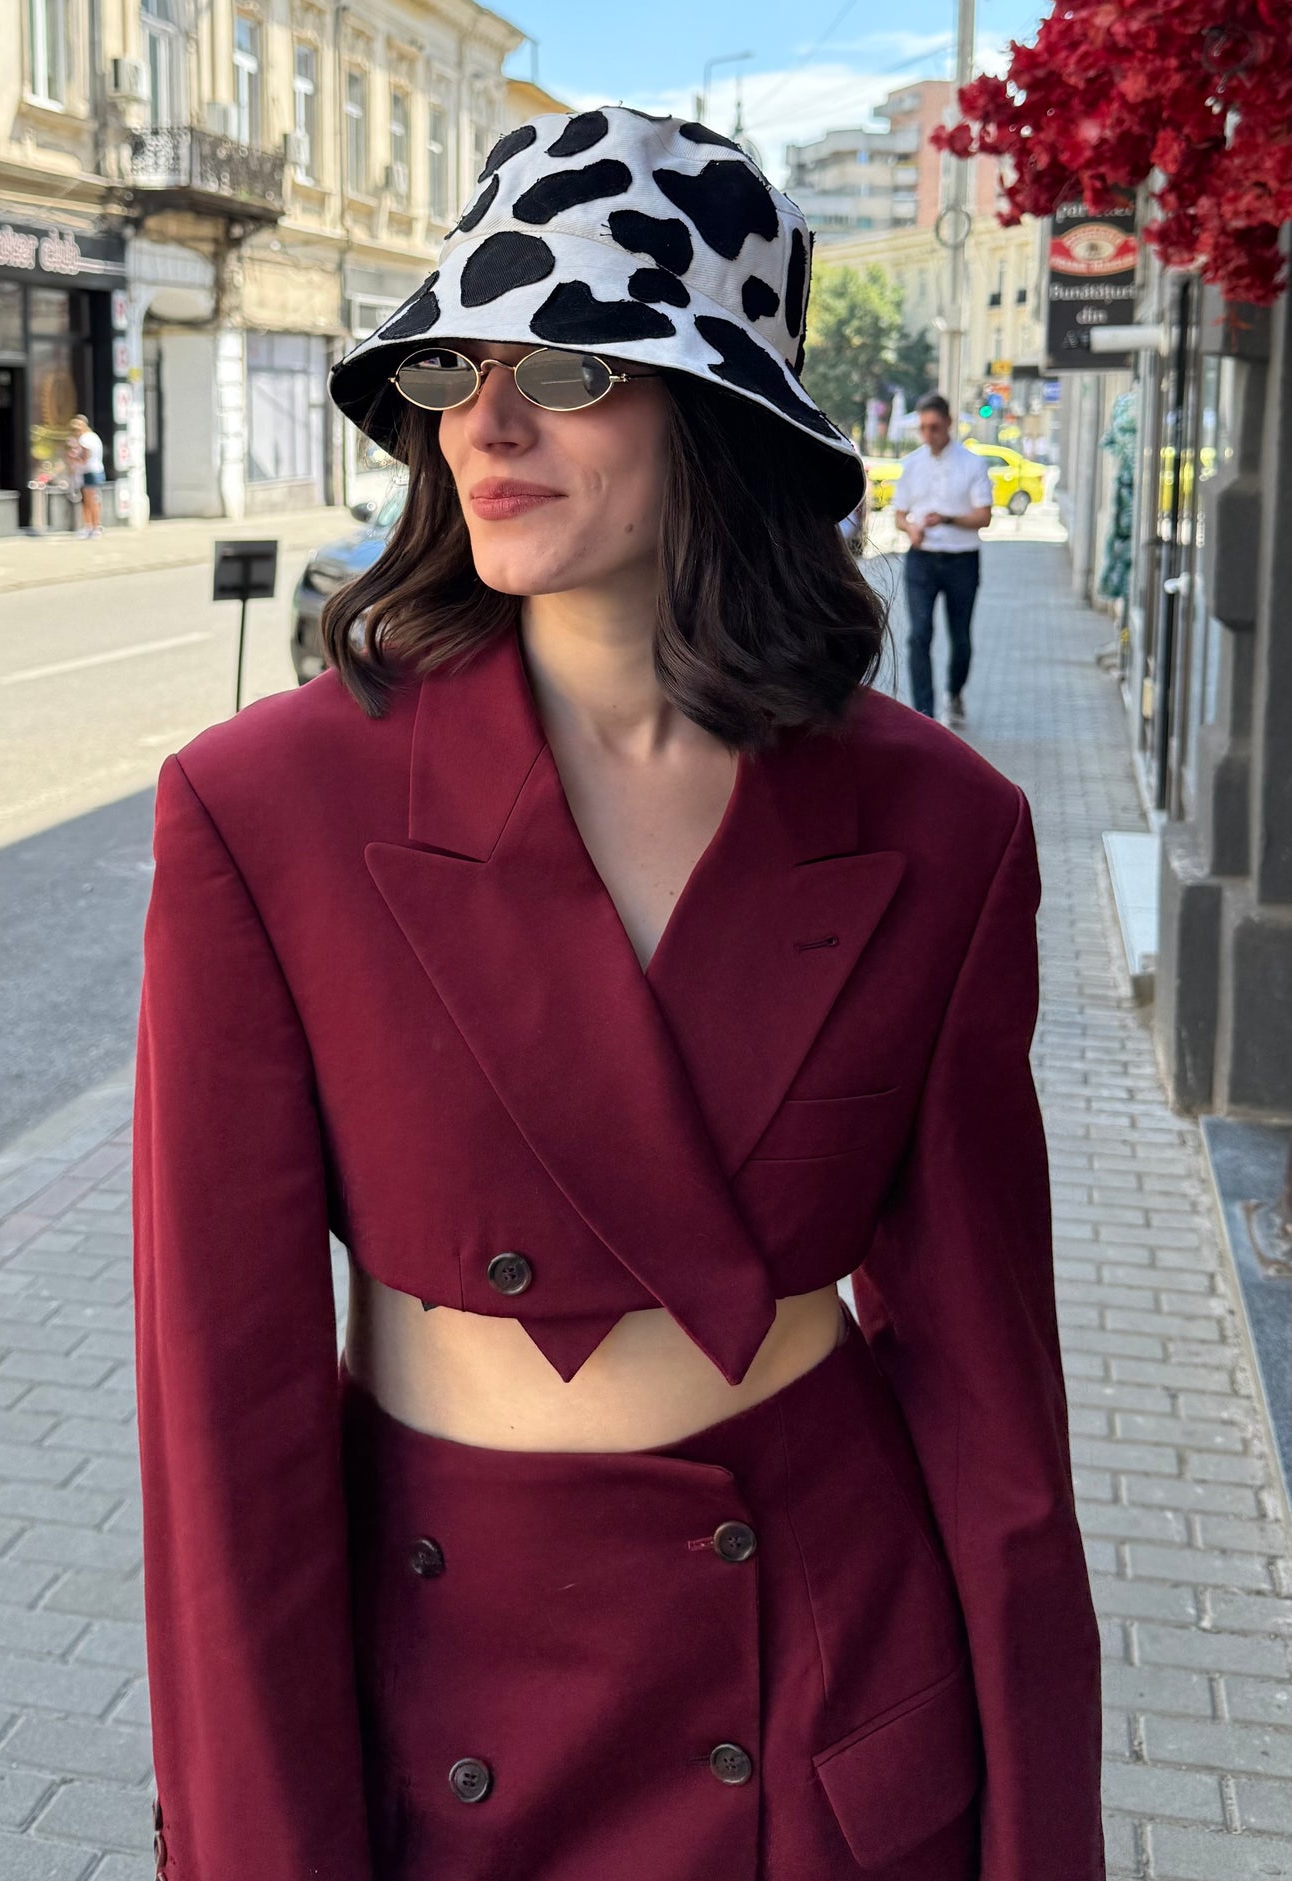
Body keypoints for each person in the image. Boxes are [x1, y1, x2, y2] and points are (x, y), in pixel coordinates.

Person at [133, 109, 1102, 1881]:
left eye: (570, 363)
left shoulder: (943, 829)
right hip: (443, 1685)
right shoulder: (265, 807)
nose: (485, 423)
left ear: (718, 410)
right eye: (456, 361)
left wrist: (1043, 1830)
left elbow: (990, 1384)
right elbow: (224, 1414)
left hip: (825, 1681)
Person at [894, 393, 993, 724]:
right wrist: (910, 529)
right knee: (918, 633)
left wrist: (948, 519)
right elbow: (899, 515)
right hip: (921, 560)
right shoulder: (911, 465)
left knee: (960, 635)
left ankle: (955, 692)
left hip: (961, 560)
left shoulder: (972, 464)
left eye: (934, 427)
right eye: (923, 428)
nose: (928, 434)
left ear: (948, 424)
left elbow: (984, 516)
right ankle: (924, 712)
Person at [66, 413, 105, 537]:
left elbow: (84, 457)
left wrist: (73, 458)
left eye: (78, 427)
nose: (76, 430)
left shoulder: (85, 439)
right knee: (91, 499)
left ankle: (94, 526)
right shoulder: (93, 437)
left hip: (89, 471)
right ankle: (91, 526)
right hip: (95, 470)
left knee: (90, 500)